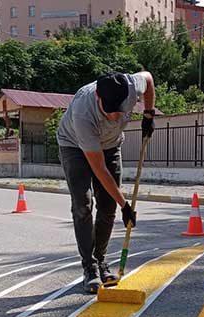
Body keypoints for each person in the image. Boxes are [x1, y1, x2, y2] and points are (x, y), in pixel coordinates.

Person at [56, 71, 156, 293]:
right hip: (74, 146)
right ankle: (89, 267)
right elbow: (98, 168)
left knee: (108, 207)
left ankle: (101, 260)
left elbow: (148, 79)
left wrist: (149, 114)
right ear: (98, 97)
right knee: (83, 205)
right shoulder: (83, 112)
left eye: (119, 110)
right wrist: (125, 205)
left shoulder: (131, 86)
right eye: (109, 110)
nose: (114, 116)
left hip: (110, 145)